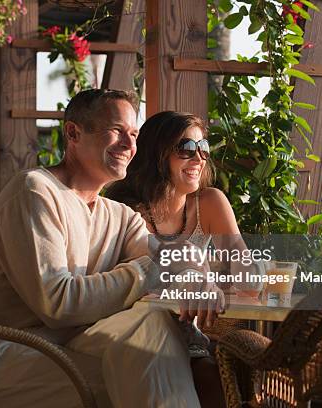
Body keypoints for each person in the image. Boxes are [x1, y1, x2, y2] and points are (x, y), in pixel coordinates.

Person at [0, 90, 218, 408]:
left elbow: (166, 258)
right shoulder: (34, 192)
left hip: (68, 349)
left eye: (133, 135)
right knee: (149, 371)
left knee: (155, 327)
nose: (130, 146)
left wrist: (195, 275)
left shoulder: (117, 215)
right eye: (116, 131)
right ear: (73, 133)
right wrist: (151, 271)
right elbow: (57, 302)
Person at [106, 111, 264, 408]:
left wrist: (209, 278)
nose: (199, 158)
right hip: (137, 334)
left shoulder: (209, 203)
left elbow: (250, 280)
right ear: (157, 153)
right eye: (186, 149)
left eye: (203, 148)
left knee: (220, 379)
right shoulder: (123, 209)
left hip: (190, 339)